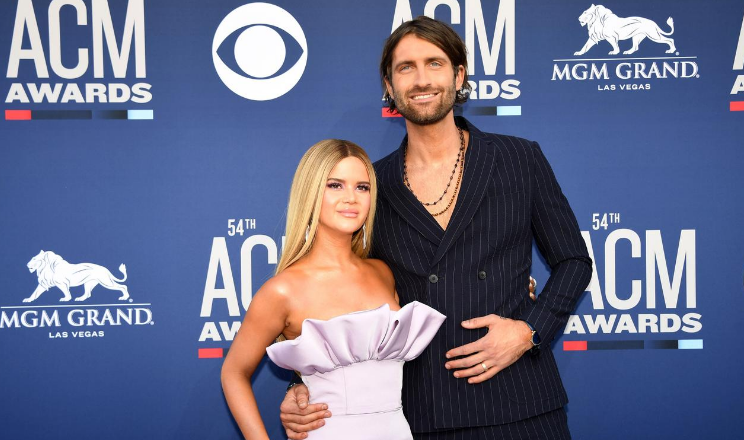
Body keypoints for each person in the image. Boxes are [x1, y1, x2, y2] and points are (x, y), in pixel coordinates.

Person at [280, 16, 593, 440]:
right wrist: (303, 383)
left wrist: (529, 331)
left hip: (522, 401)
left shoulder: (519, 158)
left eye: (434, 63)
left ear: (458, 76)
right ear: (389, 85)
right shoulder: (370, 186)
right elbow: (340, 296)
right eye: (405, 67)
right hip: (423, 411)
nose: (421, 79)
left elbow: (574, 261)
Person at [221, 140, 446, 440]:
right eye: (335, 185)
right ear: (311, 192)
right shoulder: (282, 291)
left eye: (362, 187)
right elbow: (233, 373)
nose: (351, 198)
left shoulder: (382, 273)